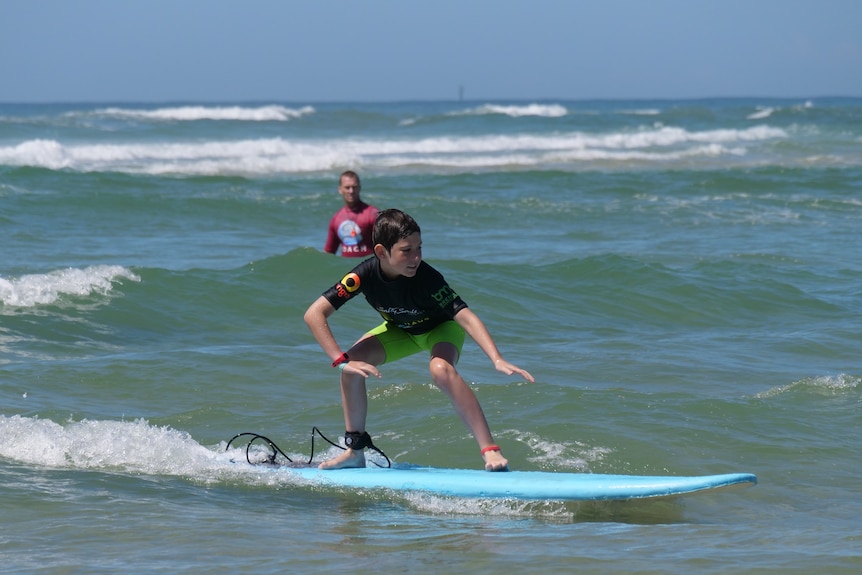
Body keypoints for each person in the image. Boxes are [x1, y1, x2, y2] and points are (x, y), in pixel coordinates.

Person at [304, 208, 535, 471]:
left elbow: (465, 316)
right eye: (406, 250)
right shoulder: (362, 276)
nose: (416, 257)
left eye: (419, 248)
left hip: (441, 330)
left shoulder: (428, 279)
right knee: (351, 366)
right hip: (400, 330)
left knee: (440, 369)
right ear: (381, 252)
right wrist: (340, 360)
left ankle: (490, 451)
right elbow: (314, 314)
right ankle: (355, 451)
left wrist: (496, 358)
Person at [323, 170, 378, 257]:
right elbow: (328, 253)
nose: (351, 191)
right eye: (347, 187)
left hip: (369, 267)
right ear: (340, 190)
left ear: (359, 188)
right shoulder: (336, 219)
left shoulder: (372, 214)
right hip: (348, 269)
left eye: (354, 187)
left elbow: (387, 245)